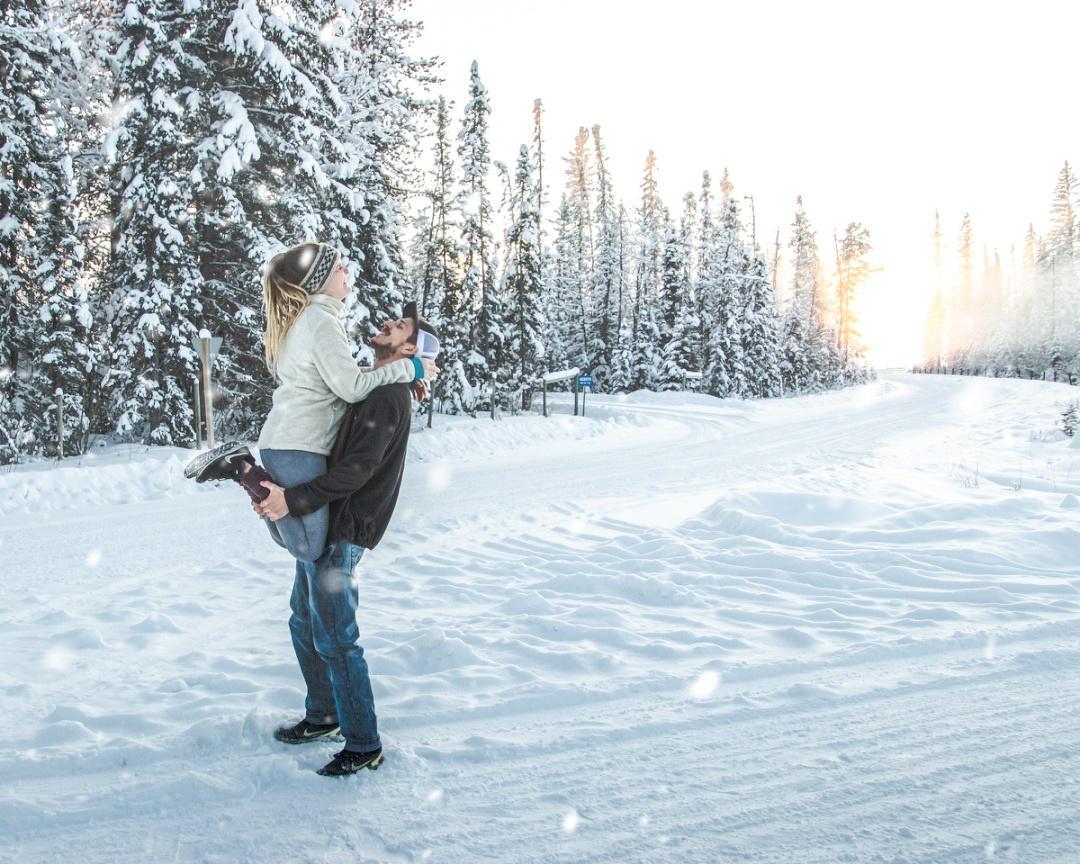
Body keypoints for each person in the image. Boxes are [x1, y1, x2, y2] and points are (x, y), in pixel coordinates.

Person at [255, 302, 439, 777]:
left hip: (344, 528)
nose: (386, 324)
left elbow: (358, 471)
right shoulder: (373, 388)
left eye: (398, 327)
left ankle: (363, 742)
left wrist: (293, 500)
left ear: (410, 348)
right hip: (324, 520)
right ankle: (324, 714)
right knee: (303, 621)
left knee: (337, 637)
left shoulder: (387, 397)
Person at [183, 242, 438, 562]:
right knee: (307, 547)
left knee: (284, 529)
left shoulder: (308, 319)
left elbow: (337, 379)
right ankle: (242, 467)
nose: (346, 270)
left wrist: (398, 375)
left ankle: (246, 471)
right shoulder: (322, 322)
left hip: (282, 440)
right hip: (301, 445)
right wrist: (409, 368)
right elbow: (353, 388)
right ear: (320, 282)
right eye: (338, 268)